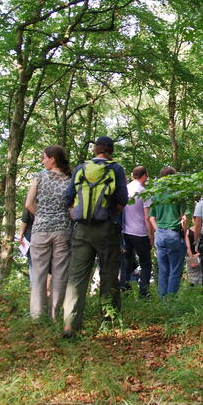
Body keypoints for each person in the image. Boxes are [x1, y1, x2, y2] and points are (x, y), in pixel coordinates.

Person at [61, 136, 127, 337]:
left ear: (95, 150)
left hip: (81, 229)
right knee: (108, 276)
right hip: (106, 229)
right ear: (111, 151)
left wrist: (75, 213)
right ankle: (107, 323)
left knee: (76, 279)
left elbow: (67, 198)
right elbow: (123, 199)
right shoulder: (115, 169)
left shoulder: (81, 168)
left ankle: (70, 326)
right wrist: (111, 213)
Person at [25, 146, 73, 321]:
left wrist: (42, 216)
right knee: (60, 274)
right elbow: (72, 209)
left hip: (40, 230)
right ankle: (55, 315)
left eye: (44, 157)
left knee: (38, 273)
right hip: (62, 231)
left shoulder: (39, 177)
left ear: (52, 159)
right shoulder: (69, 180)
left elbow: (29, 204)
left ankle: (37, 316)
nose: (42, 160)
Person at [149, 166, 186, 298]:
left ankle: (162, 300)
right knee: (175, 271)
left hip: (160, 235)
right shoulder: (179, 193)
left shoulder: (156, 194)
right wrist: (185, 233)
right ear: (173, 177)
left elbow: (151, 218)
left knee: (163, 271)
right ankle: (170, 302)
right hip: (173, 234)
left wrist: (158, 231)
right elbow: (184, 218)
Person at [121, 166, 152, 297]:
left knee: (127, 262)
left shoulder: (125, 189)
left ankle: (125, 290)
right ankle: (143, 294)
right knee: (146, 263)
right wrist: (151, 235)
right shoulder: (144, 192)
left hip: (126, 231)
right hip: (140, 232)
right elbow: (147, 216)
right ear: (144, 175)